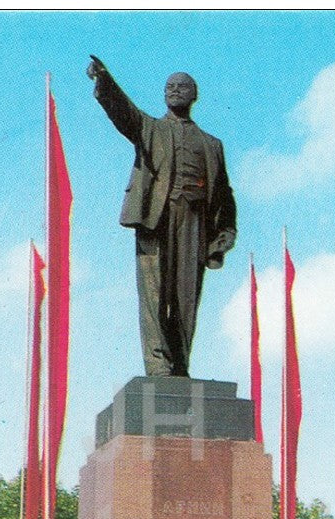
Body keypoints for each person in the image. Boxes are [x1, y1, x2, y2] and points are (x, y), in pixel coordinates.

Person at [87, 56, 237, 377]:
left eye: (181, 87)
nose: (174, 91)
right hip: (156, 218)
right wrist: (104, 82)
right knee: (154, 292)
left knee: (186, 297)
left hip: (194, 223)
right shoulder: (150, 129)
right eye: (169, 87)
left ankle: (180, 366)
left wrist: (223, 236)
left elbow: (223, 194)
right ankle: (158, 366)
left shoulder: (212, 145)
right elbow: (123, 113)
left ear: (194, 95)